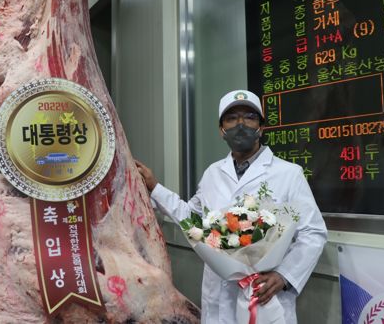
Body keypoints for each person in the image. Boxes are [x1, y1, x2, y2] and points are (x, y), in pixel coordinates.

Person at [136, 90, 327, 324]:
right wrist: (155, 187)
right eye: (231, 118)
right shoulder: (213, 173)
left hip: (263, 298)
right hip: (218, 299)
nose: (241, 125)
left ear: (261, 127)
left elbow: (313, 233)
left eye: (249, 117)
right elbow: (193, 219)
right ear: (221, 130)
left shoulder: (289, 174)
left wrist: (284, 275)